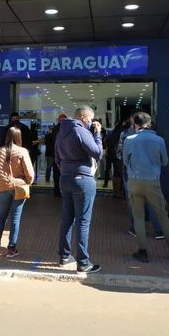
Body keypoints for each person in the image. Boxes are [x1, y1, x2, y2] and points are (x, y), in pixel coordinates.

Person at [123, 112, 169, 264]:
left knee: (138, 217)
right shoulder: (159, 140)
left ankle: (143, 251)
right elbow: (165, 161)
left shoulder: (129, 139)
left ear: (135, 125)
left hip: (134, 182)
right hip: (152, 182)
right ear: (149, 124)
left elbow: (125, 161)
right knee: (162, 215)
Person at [55, 106, 103, 274]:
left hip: (66, 178)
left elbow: (57, 158)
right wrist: (97, 134)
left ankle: (65, 256)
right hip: (83, 180)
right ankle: (83, 262)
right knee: (83, 221)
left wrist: (67, 171)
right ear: (84, 117)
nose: (91, 122)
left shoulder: (61, 132)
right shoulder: (80, 131)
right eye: (90, 119)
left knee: (67, 219)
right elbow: (98, 153)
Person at [0, 127, 34, 258]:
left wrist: (1, 181)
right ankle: (11, 249)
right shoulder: (22, 151)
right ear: (19, 137)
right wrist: (27, 182)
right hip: (19, 188)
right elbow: (30, 174)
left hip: (2, 189)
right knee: (15, 219)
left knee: (1, 217)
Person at [118, 113, 164, 239]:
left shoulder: (126, 135)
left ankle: (135, 229)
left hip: (133, 174)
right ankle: (158, 230)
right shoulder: (156, 136)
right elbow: (163, 160)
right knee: (153, 202)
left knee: (133, 202)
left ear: (133, 121)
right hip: (152, 175)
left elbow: (121, 156)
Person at [50, 114, 66, 196]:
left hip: (55, 155)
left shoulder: (54, 129)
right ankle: (62, 191)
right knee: (63, 174)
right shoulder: (66, 129)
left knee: (56, 174)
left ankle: (56, 190)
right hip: (64, 156)